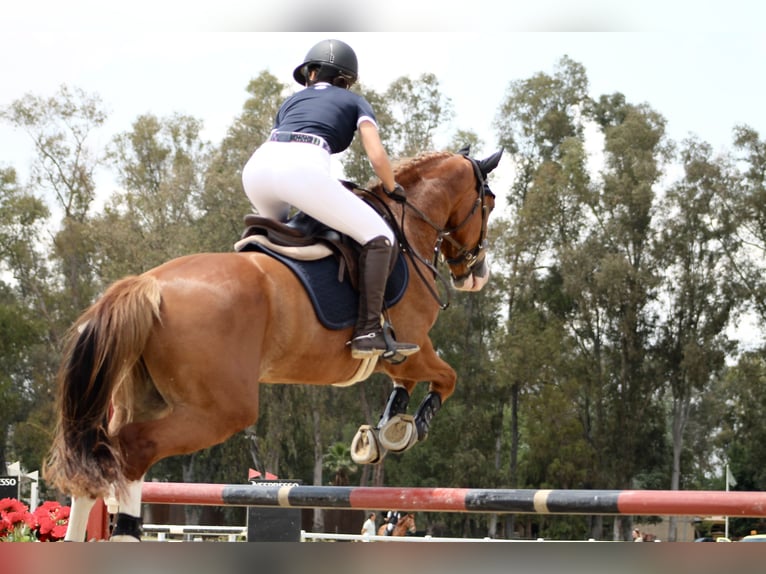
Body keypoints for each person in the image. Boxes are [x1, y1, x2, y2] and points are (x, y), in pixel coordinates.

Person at [242, 38, 419, 360]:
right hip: (302, 169)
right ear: (346, 79)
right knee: (380, 237)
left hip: (256, 171)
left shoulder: (291, 102)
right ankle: (367, 331)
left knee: (276, 234)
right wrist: (392, 187)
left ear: (311, 73)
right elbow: (377, 157)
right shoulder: (355, 101)